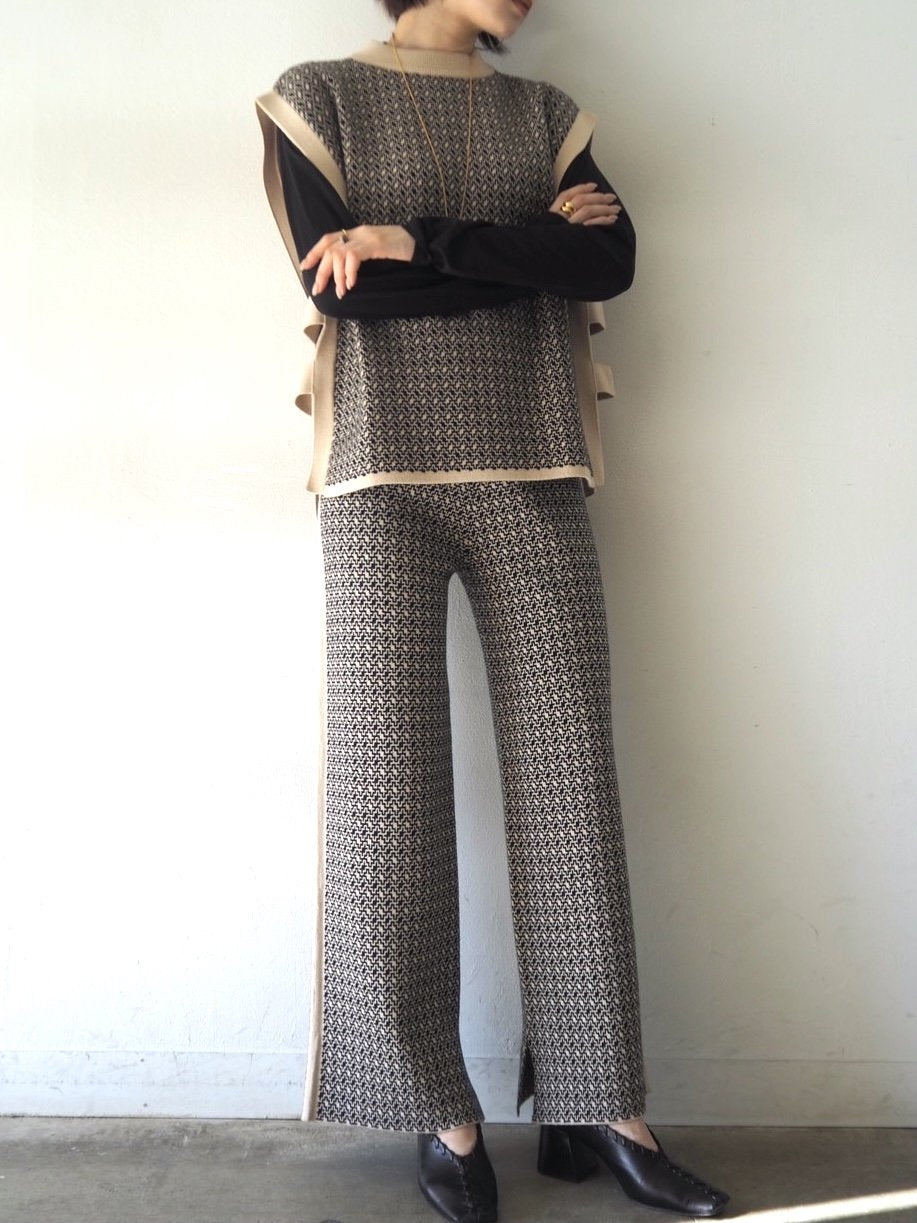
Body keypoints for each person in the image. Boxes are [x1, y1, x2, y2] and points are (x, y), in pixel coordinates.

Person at [255, 1, 731, 1219]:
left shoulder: (545, 117)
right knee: (388, 792)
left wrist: (410, 237)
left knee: (571, 787)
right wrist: (522, 248)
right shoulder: (314, 99)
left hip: (536, 463)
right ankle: (442, 1114)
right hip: (376, 475)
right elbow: (350, 300)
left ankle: (601, 1104)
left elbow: (605, 264)